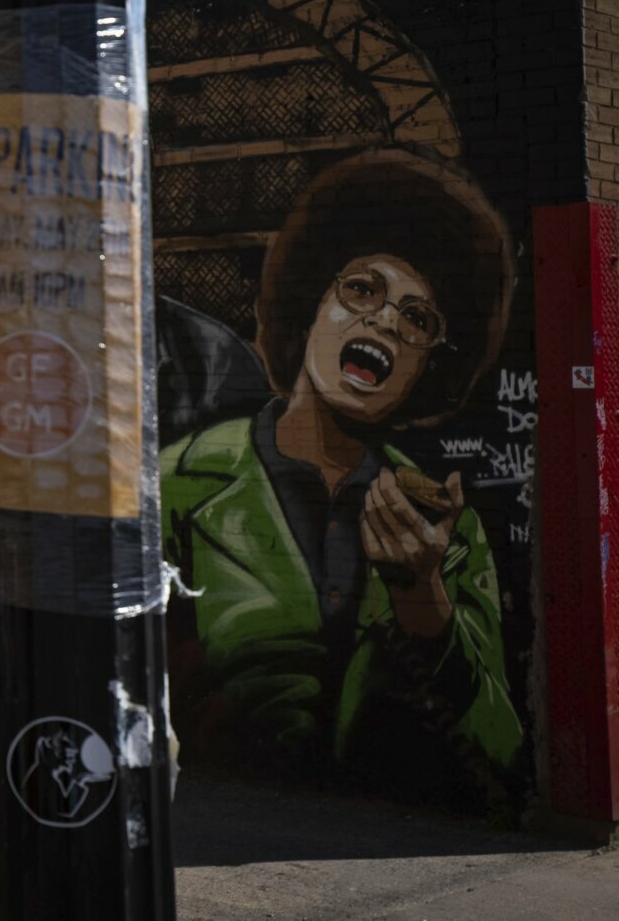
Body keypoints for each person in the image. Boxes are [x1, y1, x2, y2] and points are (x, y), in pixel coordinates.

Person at [159, 148, 523, 807]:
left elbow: (502, 749)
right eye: (361, 289)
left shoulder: (447, 533)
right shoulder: (178, 485)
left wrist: (425, 601)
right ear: (311, 305)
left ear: (425, 370)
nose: (385, 320)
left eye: (417, 319)